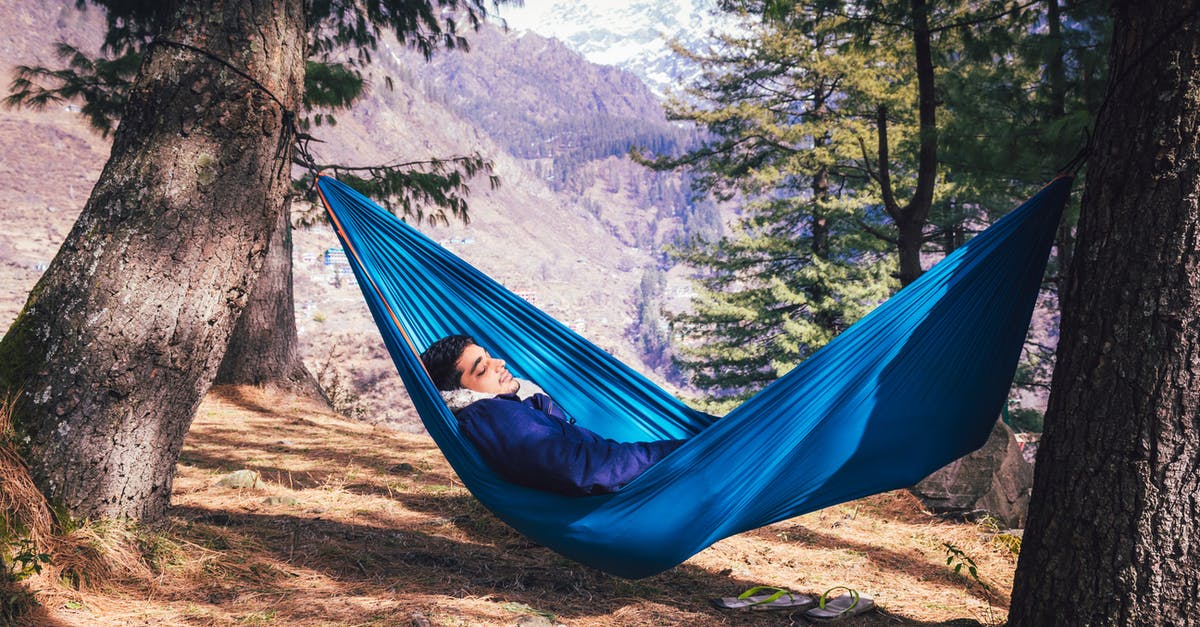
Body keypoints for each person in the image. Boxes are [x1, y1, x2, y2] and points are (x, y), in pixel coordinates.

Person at [420, 334, 686, 496]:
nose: (499, 364)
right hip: (619, 496)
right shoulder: (492, 415)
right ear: (461, 393)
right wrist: (674, 454)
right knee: (719, 452)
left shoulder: (507, 408)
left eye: (490, 357)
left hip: (624, 483)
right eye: (482, 370)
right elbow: (577, 467)